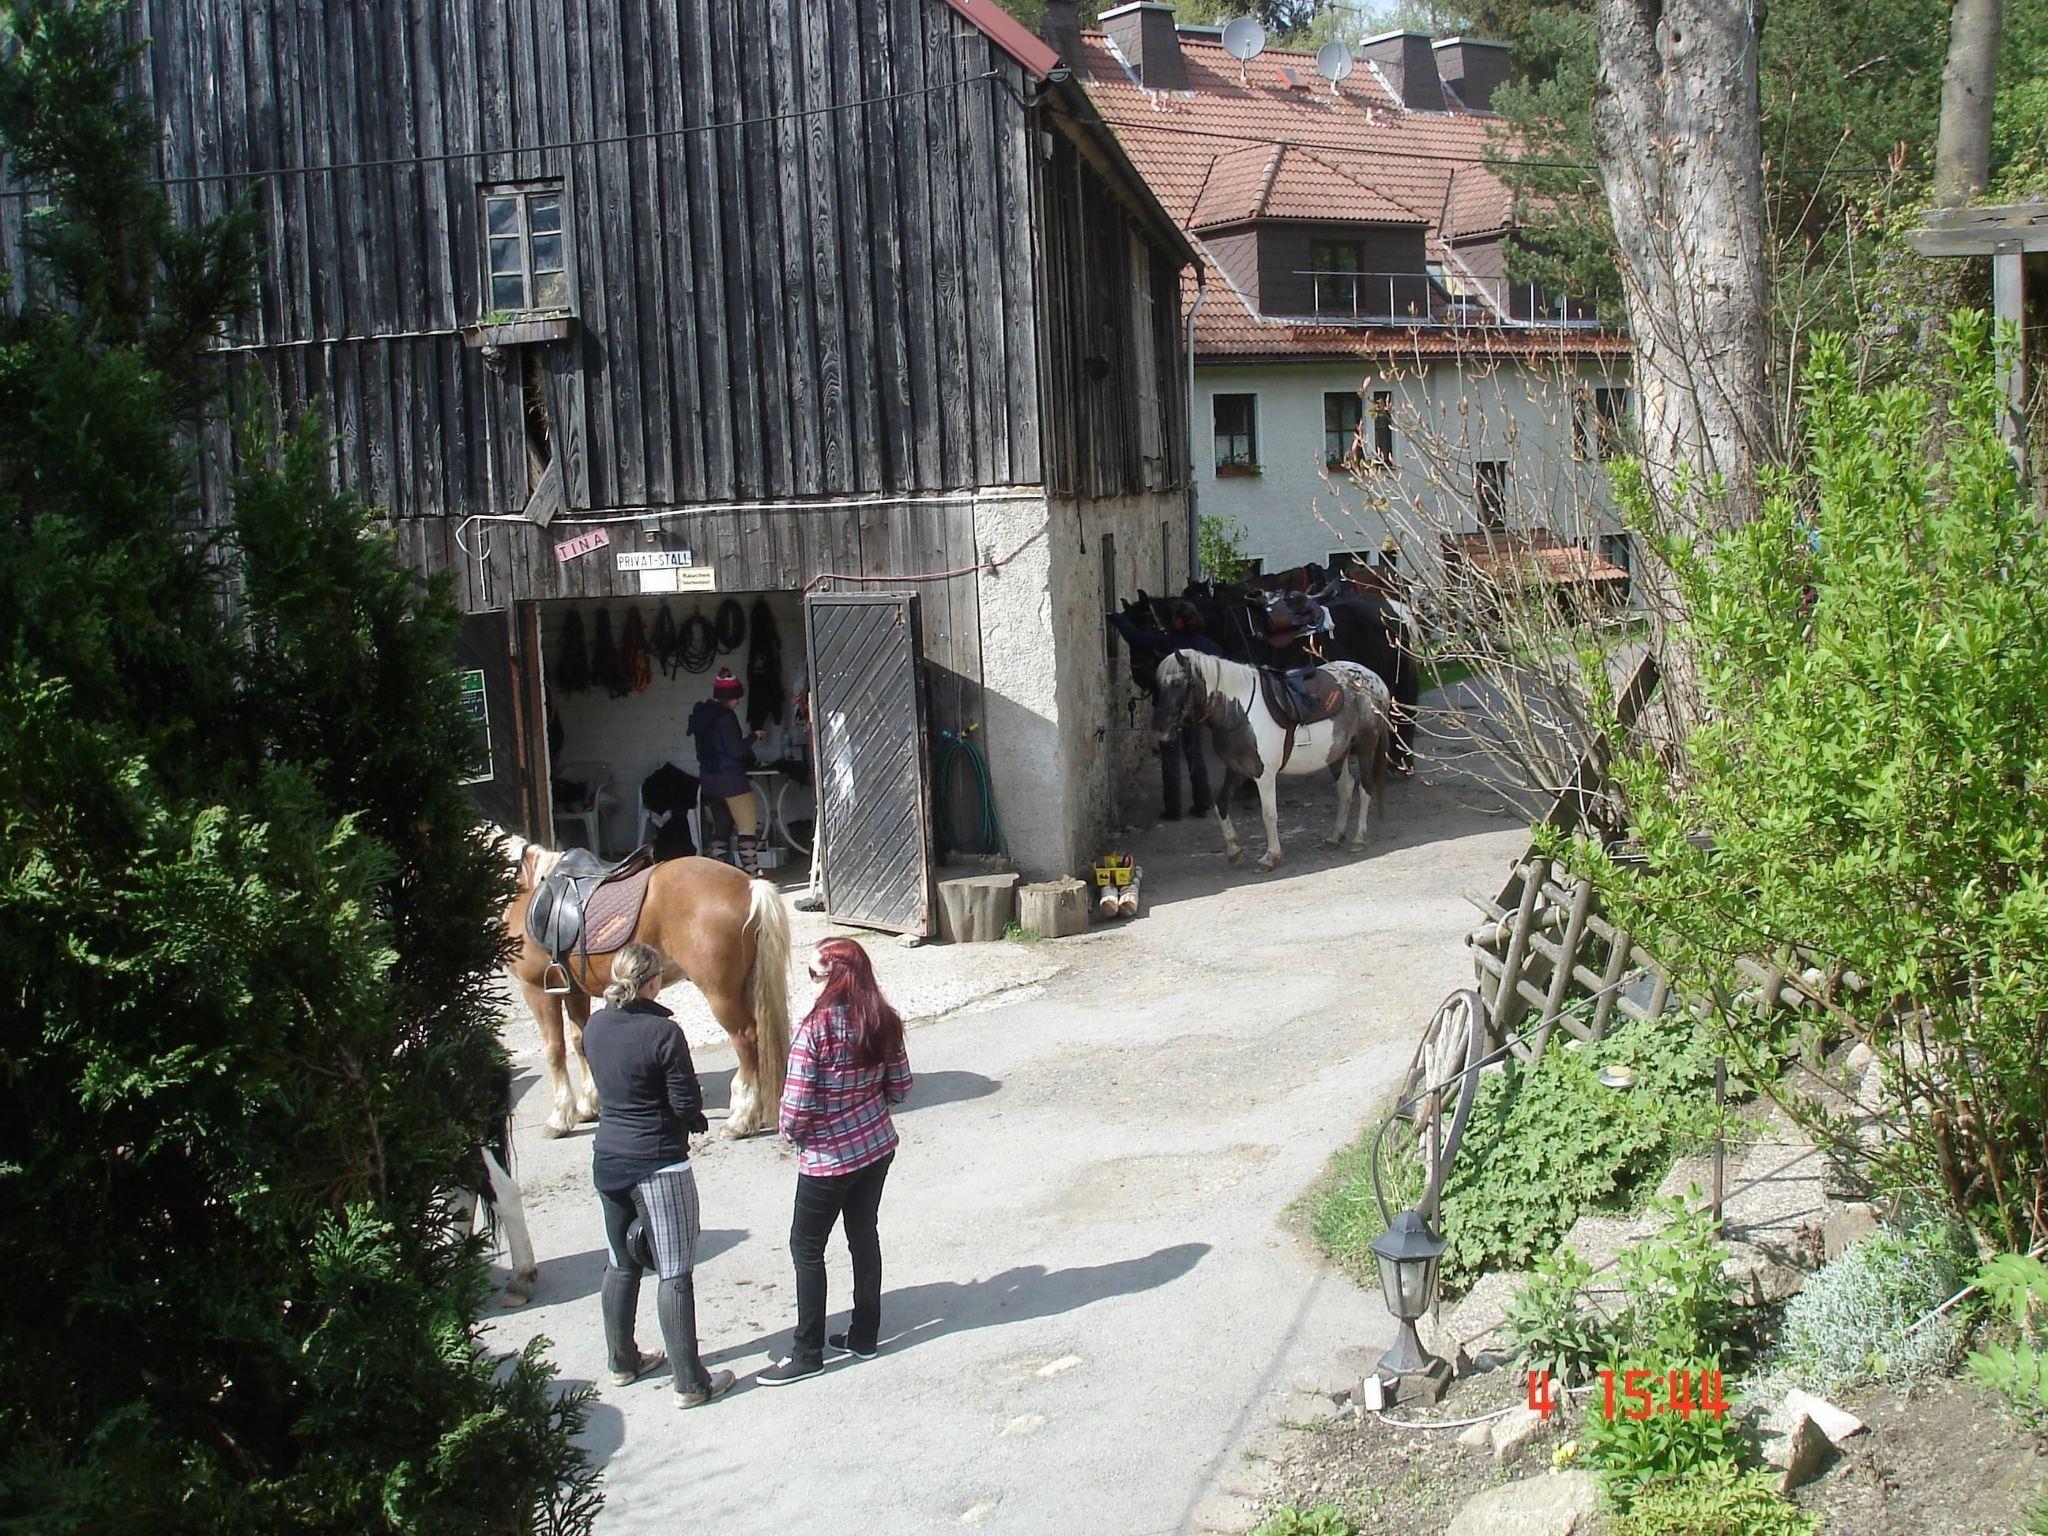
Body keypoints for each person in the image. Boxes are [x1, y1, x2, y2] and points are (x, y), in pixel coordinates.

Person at [581, 942, 735, 1409]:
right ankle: (690, 1383)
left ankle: (622, 1361)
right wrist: (693, 1118)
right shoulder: (664, 1032)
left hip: (608, 1157)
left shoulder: (595, 1025)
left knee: (620, 1262)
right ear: (653, 982)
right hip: (659, 1162)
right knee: (674, 1271)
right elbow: (686, 1101)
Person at [758, 938, 912, 1386]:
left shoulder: (814, 1030)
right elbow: (901, 1088)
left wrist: (793, 1134)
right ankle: (865, 1334)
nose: (810, 982)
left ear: (834, 978)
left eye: (814, 974)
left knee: (806, 1248)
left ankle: (807, 1352)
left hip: (827, 1160)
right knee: (863, 1235)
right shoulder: (883, 1019)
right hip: (876, 1146)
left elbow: (795, 1111)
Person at [1108, 599, 1219, 821]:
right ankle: (1202, 802)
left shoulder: (1169, 642)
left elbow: (1136, 638)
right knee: (1194, 753)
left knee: (1170, 757)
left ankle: (1173, 809)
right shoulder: (1206, 645)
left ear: (1178, 621)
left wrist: (1117, 618)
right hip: (1195, 708)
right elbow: (1220, 657)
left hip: (1168, 709)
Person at [688, 667, 763, 875]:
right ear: (729, 697)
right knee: (747, 827)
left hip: (709, 780)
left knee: (721, 829)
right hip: (731, 780)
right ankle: (752, 876)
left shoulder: (700, 714)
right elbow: (736, 750)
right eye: (736, 697)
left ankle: (720, 877)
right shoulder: (725, 717)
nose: (738, 701)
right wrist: (754, 737)